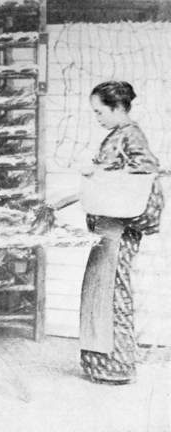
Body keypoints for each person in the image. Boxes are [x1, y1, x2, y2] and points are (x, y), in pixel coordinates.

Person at [44, 81, 164, 384]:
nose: (97, 118)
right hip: (106, 228)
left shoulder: (131, 135)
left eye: (100, 112)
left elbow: (145, 176)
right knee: (100, 292)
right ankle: (102, 366)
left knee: (113, 293)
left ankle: (118, 367)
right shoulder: (116, 136)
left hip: (119, 229)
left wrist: (96, 173)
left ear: (118, 107)